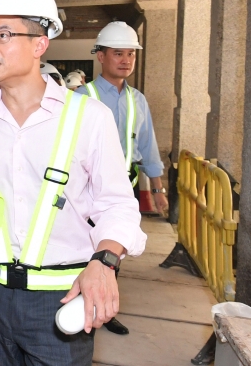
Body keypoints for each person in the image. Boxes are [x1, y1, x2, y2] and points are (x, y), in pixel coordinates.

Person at [0, 0, 146, 366]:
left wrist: (105, 262)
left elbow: (119, 206)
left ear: (40, 43)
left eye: (3, 35)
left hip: (60, 296)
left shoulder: (88, 118)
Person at [81, 21, 169, 335]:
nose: (126, 60)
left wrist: (158, 188)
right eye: (118, 53)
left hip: (124, 188)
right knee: (81, 249)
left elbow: (148, 146)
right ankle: (78, 306)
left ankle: (103, 310)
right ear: (100, 56)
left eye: (130, 54)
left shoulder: (138, 101)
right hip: (86, 188)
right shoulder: (81, 96)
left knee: (112, 249)